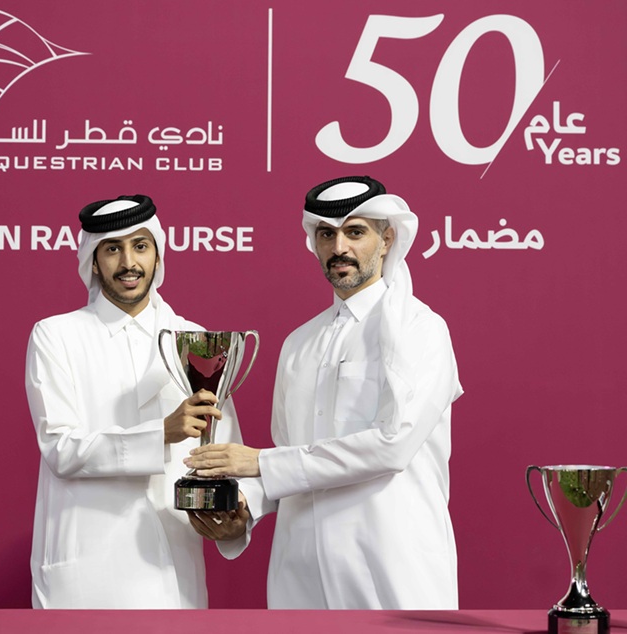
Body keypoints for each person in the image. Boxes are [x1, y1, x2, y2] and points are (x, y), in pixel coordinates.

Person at [185, 176, 463, 609]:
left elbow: (393, 446)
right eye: (326, 235)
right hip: (301, 573)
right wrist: (242, 511)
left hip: (391, 568)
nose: (339, 248)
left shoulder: (421, 329)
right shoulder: (299, 344)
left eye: (356, 232)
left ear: (387, 239)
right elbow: (291, 455)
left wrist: (259, 462)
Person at [24, 194, 245, 609]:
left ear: (157, 255)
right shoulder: (56, 336)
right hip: (85, 571)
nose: (129, 262)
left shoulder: (196, 339)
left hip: (172, 567)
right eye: (113, 249)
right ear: (93, 261)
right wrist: (161, 433)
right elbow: (60, 448)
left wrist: (236, 520)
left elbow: (227, 451)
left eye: (140, 246)